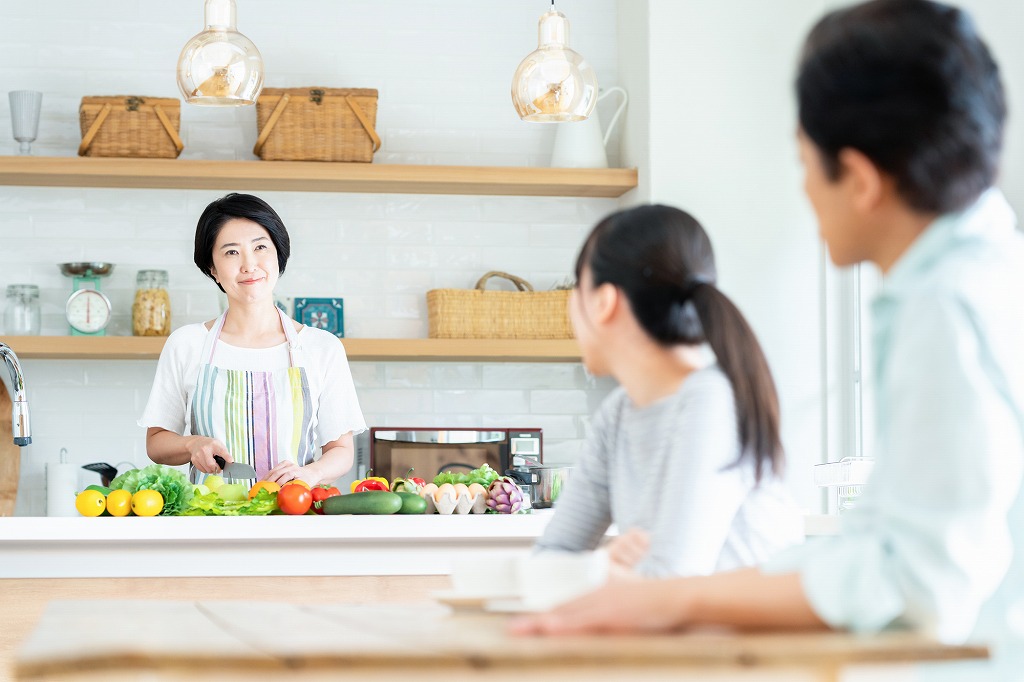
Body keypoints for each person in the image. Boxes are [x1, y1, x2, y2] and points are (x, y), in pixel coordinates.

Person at [512, 1, 1024, 676]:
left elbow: (920, 582)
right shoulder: (953, 279)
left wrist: (668, 602)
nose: (806, 191)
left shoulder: (949, 304)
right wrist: (662, 598)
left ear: (862, 181)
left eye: (805, 162)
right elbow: (879, 547)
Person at [534, 204, 802, 578]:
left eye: (576, 287)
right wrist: (604, 567)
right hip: (675, 634)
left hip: (746, 636)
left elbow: (672, 579)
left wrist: (597, 573)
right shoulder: (618, 415)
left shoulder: (710, 401)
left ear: (602, 302)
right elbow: (551, 557)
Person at [139, 193, 366, 488]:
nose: (249, 265)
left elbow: (341, 450)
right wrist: (192, 444)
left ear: (278, 254)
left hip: (295, 520)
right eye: (231, 252)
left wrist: (311, 474)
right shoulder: (187, 344)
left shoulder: (322, 348)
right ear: (212, 269)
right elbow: (156, 443)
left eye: (260, 247)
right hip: (209, 524)